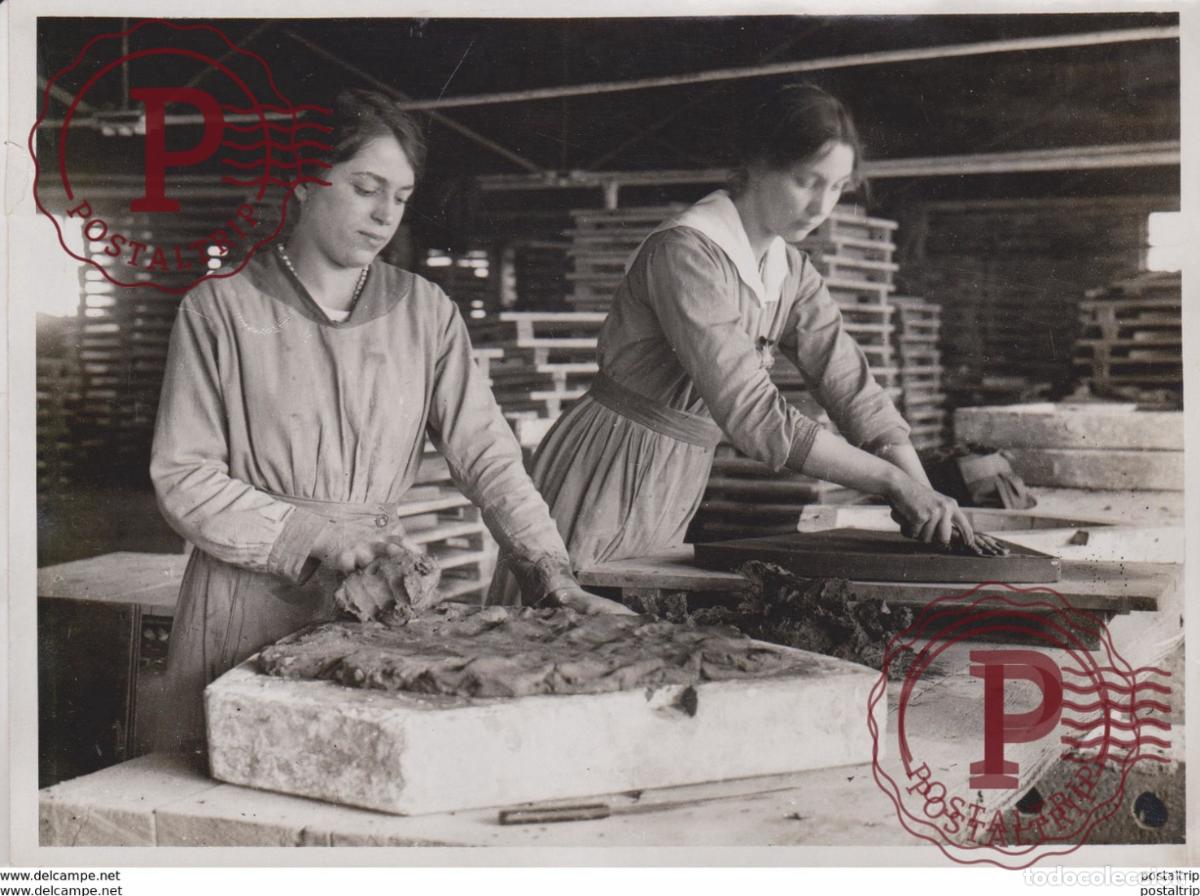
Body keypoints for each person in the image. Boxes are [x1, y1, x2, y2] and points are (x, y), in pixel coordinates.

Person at [151, 89, 628, 751]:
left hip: (377, 595)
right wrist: (317, 536)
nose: (384, 216)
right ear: (301, 181)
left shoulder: (425, 313)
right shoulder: (221, 310)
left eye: (400, 197)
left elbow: (488, 456)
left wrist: (552, 574)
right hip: (245, 599)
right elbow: (185, 478)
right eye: (365, 188)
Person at [490, 83, 996, 605]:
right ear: (755, 165)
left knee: (622, 623)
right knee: (560, 621)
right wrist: (891, 483)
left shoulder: (790, 269)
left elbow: (847, 380)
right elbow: (752, 413)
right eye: (807, 182)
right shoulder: (687, 254)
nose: (823, 205)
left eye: (839, 187)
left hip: (676, 469)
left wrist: (924, 492)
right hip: (608, 462)